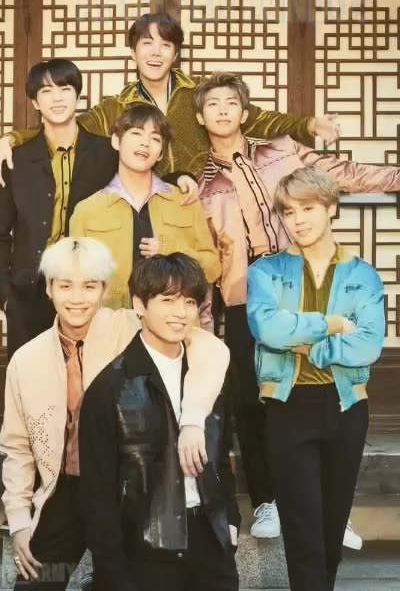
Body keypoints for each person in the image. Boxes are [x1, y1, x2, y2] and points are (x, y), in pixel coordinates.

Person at [196, 72, 400, 544]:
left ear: (246, 112)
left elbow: (341, 173)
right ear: (201, 117)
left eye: (231, 102)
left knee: (318, 391)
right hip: (245, 295)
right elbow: (202, 254)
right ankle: (267, 502)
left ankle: (333, 508)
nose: (223, 110)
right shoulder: (199, 182)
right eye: (213, 104)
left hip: (305, 278)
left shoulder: (282, 151)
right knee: (254, 400)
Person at [0, 237, 231, 590]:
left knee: (120, 574)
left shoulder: (132, 325)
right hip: (64, 489)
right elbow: (16, 446)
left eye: (89, 286)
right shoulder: (26, 359)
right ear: (49, 289)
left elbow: (210, 348)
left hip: (128, 489)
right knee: (35, 583)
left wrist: (193, 421)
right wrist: (18, 519)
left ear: (105, 290)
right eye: (65, 286)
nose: (77, 298)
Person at [0, 59, 196, 358]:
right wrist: (5, 295)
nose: (57, 98)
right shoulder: (15, 159)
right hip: (28, 291)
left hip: (88, 291)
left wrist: (179, 177)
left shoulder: (105, 151)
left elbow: (142, 171)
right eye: (46, 91)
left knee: (89, 376)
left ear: (77, 95)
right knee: (31, 378)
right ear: (34, 101)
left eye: (64, 89)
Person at [0, 12, 340, 183]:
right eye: (147, 43)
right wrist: (14, 137)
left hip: (206, 196)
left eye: (165, 44)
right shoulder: (118, 105)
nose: (155, 53)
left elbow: (255, 117)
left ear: (175, 53)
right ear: (133, 52)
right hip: (149, 204)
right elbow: (68, 127)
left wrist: (309, 124)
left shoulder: (200, 92)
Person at [247, 167, 385, 591]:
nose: (297, 220)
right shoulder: (265, 271)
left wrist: (311, 346)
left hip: (346, 405)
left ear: (330, 208)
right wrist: (332, 324)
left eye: (307, 208)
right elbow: (268, 329)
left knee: (332, 525)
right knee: (301, 526)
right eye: (288, 212)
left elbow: (368, 344)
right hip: (288, 405)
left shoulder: (362, 273)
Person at [79, 253, 240, 591]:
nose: (180, 312)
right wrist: (113, 572)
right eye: (168, 300)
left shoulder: (209, 373)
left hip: (211, 542)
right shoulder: (110, 388)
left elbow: (221, 457)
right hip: (145, 548)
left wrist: (231, 522)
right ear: (140, 304)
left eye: (189, 302)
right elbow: (97, 494)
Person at [70, 103, 220, 314]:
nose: (145, 143)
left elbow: (213, 268)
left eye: (155, 138)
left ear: (161, 154)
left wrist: (172, 251)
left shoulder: (184, 201)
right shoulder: (87, 210)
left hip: (173, 324)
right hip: (110, 323)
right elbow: (74, 281)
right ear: (116, 141)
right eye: (136, 133)